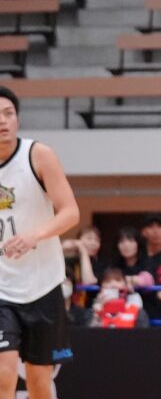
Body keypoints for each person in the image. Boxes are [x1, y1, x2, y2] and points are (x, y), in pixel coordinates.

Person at [0, 87, 79, 399]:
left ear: (18, 119)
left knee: (39, 382)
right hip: (2, 288)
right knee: (3, 375)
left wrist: (35, 235)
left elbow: (71, 212)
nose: (2, 121)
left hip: (42, 285)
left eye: (8, 114)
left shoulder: (38, 155)